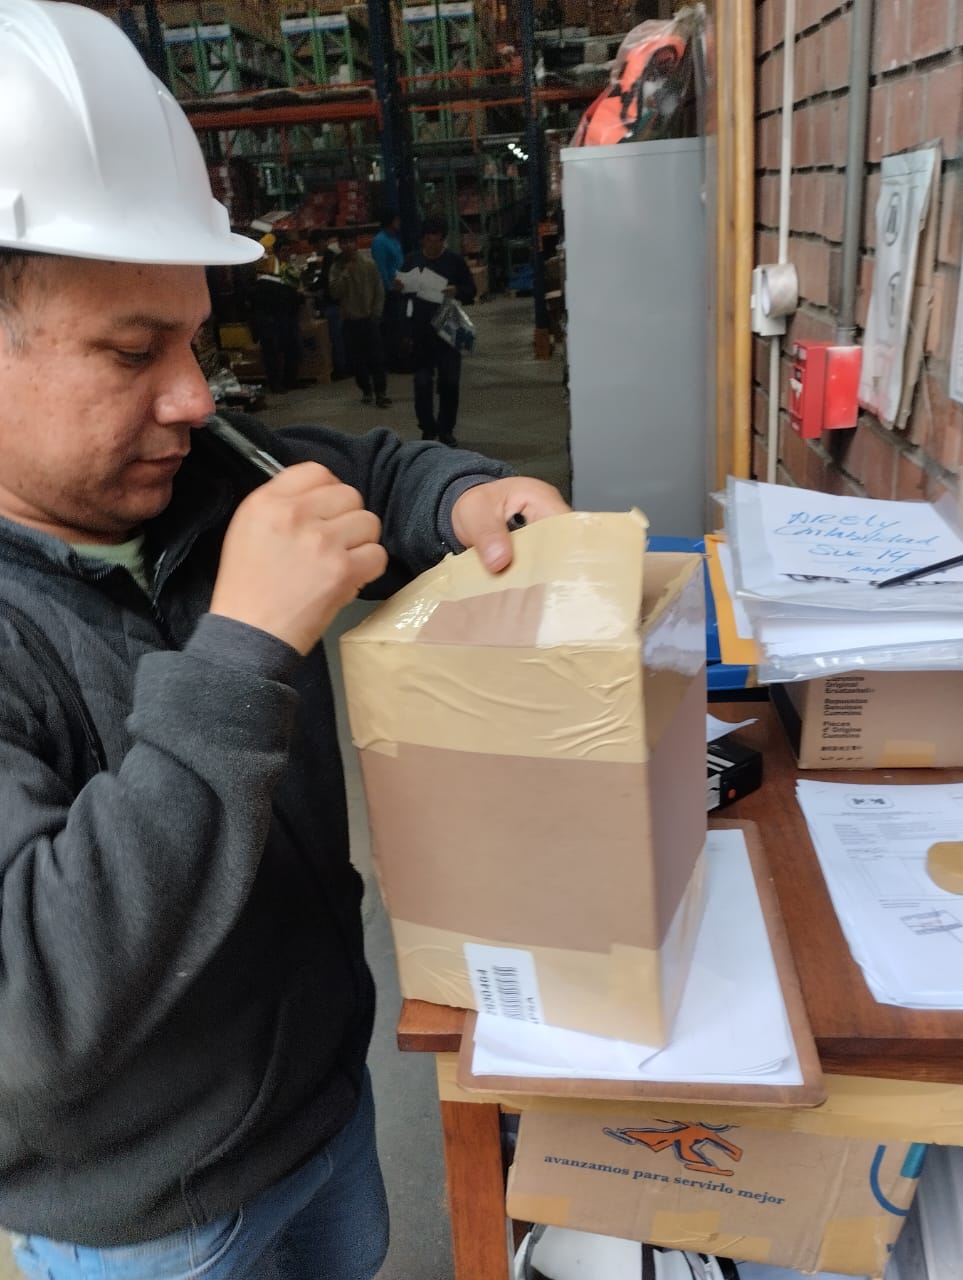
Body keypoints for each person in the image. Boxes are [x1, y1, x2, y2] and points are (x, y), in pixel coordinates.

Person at [0, 5, 569, 1280]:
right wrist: (245, 646)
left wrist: (466, 497)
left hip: (324, 1110)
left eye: (193, 335)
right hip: (156, 1219)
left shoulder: (208, 469)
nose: (195, 394)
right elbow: (25, 1015)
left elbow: (371, 468)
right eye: (132, 350)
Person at [399, 214, 477, 447]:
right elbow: (402, 298)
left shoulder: (454, 262)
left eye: (437, 241)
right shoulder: (412, 261)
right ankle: (427, 427)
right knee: (422, 382)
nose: (432, 245)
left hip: (448, 329)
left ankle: (446, 429)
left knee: (449, 382)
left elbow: (471, 291)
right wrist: (405, 331)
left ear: (443, 240)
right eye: (428, 240)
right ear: (422, 240)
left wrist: (456, 291)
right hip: (421, 330)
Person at [328, 228, 390, 408]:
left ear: (356, 243)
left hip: (369, 318)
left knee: (377, 358)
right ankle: (366, 390)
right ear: (340, 245)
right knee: (357, 361)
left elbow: (379, 289)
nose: (348, 246)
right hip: (349, 320)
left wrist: (376, 313)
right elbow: (335, 292)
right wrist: (345, 274)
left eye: (351, 242)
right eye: (344, 243)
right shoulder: (336, 268)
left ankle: (380, 392)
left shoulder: (369, 264)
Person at [250, 234, 303, 393]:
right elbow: (264, 298)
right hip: (271, 319)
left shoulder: (289, 271)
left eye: (289, 250)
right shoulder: (267, 271)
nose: (287, 254)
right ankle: (275, 384)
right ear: (277, 252)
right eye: (284, 251)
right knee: (272, 352)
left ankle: (290, 380)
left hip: (287, 317)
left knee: (292, 348)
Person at [302, 229, 349, 380]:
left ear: (321, 242)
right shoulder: (331, 256)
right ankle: (340, 367)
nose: (316, 249)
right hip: (332, 302)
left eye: (316, 246)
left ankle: (341, 368)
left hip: (332, 303)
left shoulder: (330, 257)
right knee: (335, 337)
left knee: (335, 337)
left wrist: (309, 289)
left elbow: (324, 279)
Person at [370, 212, 406, 372]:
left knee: (400, 325)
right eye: (397, 219)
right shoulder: (380, 241)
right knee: (392, 326)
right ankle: (392, 360)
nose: (399, 222)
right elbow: (381, 267)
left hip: (401, 287)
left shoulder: (394, 239)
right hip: (390, 291)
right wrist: (388, 287)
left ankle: (400, 356)